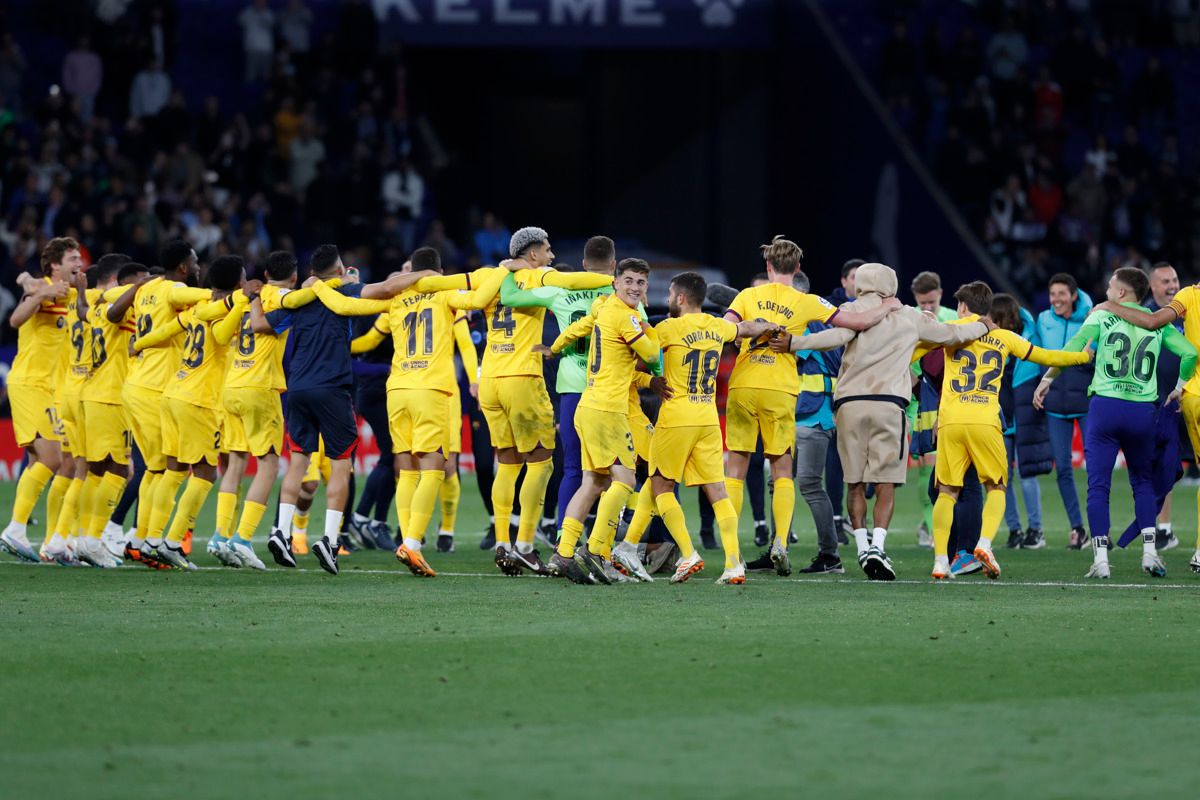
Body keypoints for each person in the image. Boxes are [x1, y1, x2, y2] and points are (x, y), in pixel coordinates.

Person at [777, 263, 991, 580]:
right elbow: (951, 334)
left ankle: (862, 546)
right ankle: (878, 546)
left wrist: (793, 343)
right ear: (890, 284)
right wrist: (983, 326)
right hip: (889, 405)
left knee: (855, 482)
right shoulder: (907, 315)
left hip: (848, 404)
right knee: (886, 481)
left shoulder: (850, 311)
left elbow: (832, 337)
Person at [310, 249, 509, 576]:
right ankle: (413, 543)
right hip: (430, 390)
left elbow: (346, 305)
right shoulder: (445, 294)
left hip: (397, 389)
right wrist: (502, 269)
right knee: (434, 467)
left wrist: (317, 285)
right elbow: (481, 297)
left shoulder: (397, 297)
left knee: (405, 467)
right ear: (439, 270)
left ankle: (406, 536)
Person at [249, 245, 435, 575]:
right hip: (332, 388)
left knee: (298, 461)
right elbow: (387, 289)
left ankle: (280, 530)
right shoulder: (344, 290)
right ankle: (331, 539)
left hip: (298, 388)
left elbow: (259, 325)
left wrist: (252, 297)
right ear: (339, 271)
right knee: (340, 464)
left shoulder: (300, 298)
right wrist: (425, 273)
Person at [723, 238, 894, 577]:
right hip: (780, 389)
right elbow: (855, 323)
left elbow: (727, 330)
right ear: (798, 268)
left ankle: (732, 558)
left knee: (736, 472)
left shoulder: (745, 295)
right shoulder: (807, 301)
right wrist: (887, 308)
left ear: (768, 267)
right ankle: (781, 544)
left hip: (743, 386)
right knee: (783, 470)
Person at [920, 282, 1091, 580]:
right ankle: (984, 545)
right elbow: (1047, 356)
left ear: (962, 307)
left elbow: (913, 350)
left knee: (946, 491)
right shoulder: (1004, 338)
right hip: (985, 420)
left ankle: (940, 562)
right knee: (996, 486)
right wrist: (1082, 357)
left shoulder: (950, 331)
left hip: (950, 421)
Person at [1036, 268, 1196, 579]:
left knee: (1098, 485)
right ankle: (1150, 553)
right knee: (1142, 482)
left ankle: (1101, 561)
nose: (1107, 290)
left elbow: (1073, 351)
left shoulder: (1100, 315)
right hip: (1141, 411)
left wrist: (1047, 378)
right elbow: (1189, 352)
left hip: (1105, 408)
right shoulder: (1157, 322)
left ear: (1121, 293)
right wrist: (1179, 386)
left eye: (1111, 285)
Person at [637, 272, 778, 584]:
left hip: (676, 414)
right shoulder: (718, 326)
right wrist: (770, 326)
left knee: (660, 486)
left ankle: (688, 554)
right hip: (708, 417)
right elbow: (747, 327)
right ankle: (733, 564)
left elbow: (638, 351)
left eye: (672, 294)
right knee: (717, 491)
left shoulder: (668, 328)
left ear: (681, 298)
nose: (670, 299)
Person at [133, 256, 254, 570]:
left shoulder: (197, 310)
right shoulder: (228, 310)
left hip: (173, 393)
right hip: (199, 401)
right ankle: (172, 542)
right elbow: (221, 337)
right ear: (237, 284)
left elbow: (165, 331)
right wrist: (243, 301)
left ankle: (152, 540)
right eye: (243, 279)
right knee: (205, 474)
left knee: (173, 472)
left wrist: (139, 343)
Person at [549, 259, 665, 584]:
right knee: (626, 481)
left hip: (588, 406)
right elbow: (653, 356)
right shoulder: (625, 316)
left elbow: (577, 329)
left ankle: (564, 552)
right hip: (608, 410)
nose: (634, 288)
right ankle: (598, 550)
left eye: (641, 283)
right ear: (615, 281)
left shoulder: (603, 308)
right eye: (628, 280)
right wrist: (648, 326)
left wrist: (554, 348)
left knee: (593, 483)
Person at [209, 251, 325, 570]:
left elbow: (220, 335)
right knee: (269, 465)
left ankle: (220, 535)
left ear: (264, 272)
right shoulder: (287, 297)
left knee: (235, 462)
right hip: (260, 388)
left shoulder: (247, 295)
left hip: (231, 386)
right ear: (294, 276)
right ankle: (243, 539)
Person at [497, 235, 618, 530]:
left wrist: (509, 270)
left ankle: (564, 541)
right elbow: (644, 341)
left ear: (583, 265)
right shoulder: (622, 295)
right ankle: (609, 544)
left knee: (573, 470)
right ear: (614, 265)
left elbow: (510, 297)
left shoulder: (557, 291)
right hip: (611, 389)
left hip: (571, 387)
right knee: (621, 473)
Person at [1090, 268, 1200, 575]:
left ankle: (1106, 556)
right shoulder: (1165, 313)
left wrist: (1108, 307)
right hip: (1163, 403)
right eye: (1166, 282)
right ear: (1150, 287)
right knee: (1160, 471)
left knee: (1140, 477)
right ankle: (1162, 532)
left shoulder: (1184, 305)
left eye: (1176, 281)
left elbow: (1153, 325)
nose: (1173, 286)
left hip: (1180, 397)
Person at [121, 241, 210, 566]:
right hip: (155, 387)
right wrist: (228, 293)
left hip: (138, 384)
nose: (199, 267)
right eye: (196, 261)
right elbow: (197, 296)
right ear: (184, 267)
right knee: (166, 470)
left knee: (154, 470)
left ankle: (142, 538)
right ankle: (153, 540)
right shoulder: (173, 288)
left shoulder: (146, 288)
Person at [1, 238, 80, 563]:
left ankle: (49, 540)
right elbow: (16, 319)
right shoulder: (43, 289)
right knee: (52, 460)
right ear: (55, 265)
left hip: (52, 389)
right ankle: (15, 529)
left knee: (50, 462)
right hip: (31, 383)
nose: (79, 263)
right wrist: (38, 292)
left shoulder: (73, 295)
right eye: (73, 259)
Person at [73, 259, 148, 567]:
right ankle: (93, 539)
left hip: (94, 394)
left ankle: (84, 538)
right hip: (110, 398)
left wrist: (80, 293)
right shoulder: (119, 306)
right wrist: (135, 291)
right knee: (120, 470)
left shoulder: (101, 306)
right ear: (126, 284)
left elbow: (83, 312)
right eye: (140, 281)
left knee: (97, 470)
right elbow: (116, 313)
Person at [1036, 273, 1093, 549]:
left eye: (1062, 294)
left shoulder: (1091, 319)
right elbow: (1036, 356)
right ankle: (1078, 529)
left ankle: (1099, 529)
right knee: (1063, 471)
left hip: (1087, 403)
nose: (1056, 299)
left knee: (1096, 469)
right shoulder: (1043, 320)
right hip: (1055, 407)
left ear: (1074, 295)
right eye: (1052, 294)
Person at [989, 294, 1047, 550]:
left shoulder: (1031, 338)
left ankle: (1036, 530)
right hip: (999, 416)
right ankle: (1014, 530)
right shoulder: (989, 340)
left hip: (1024, 415)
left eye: (996, 318)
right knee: (1002, 477)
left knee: (1026, 474)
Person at [908, 270, 959, 547]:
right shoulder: (909, 318)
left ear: (940, 294)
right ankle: (930, 525)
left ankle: (945, 523)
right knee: (926, 465)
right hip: (919, 400)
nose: (927, 308)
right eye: (922, 303)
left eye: (931, 302)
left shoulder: (953, 318)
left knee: (949, 468)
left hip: (950, 399)